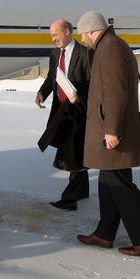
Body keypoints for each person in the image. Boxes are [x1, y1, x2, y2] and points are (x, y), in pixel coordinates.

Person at [75, 11, 140, 256]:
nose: (83, 40)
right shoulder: (110, 45)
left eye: (84, 35)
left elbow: (115, 93)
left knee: (121, 186)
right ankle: (104, 233)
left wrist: (112, 130)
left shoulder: (110, 48)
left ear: (93, 30)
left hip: (113, 132)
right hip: (111, 129)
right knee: (108, 183)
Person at [36, 19, 91, 211]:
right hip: (61, 109)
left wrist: (80, 97)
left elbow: (94, 83)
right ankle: (82, 190)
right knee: (71, 148)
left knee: (73, 151)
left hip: (80, 110)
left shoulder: (85, 53)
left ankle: (70, 198)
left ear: (67, 32)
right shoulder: (55, 53)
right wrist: (42, 92)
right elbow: (53, 77)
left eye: (55, 35)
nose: (53, 39)